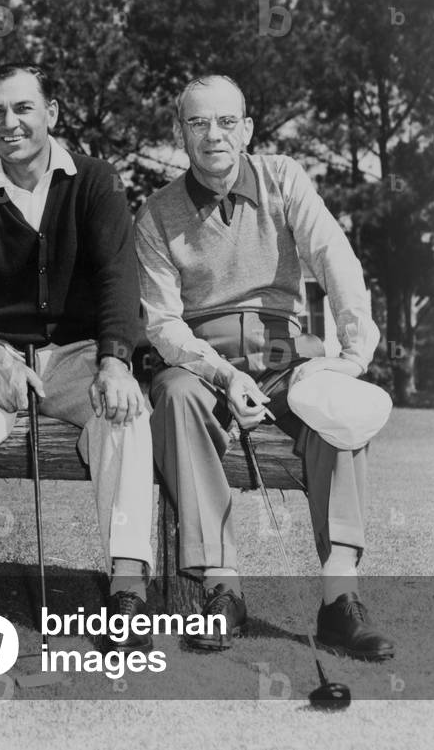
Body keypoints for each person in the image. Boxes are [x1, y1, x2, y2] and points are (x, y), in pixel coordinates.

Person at [135, 74, 394, 659]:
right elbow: (164, 325)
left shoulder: (283, 176)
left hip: (288, 354)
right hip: (205, 363)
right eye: (198, 123)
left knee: (339, 410)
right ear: (181, 133)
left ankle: (338, 601)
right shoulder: (155, 214)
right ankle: (224, 590)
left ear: (247, 129)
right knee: (173, 396)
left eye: (226, 121)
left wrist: (353, 355)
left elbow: (335, 258)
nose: (213, 134)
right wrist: (225, 377)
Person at [0, 63, 155, 652]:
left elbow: (118, 282)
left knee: (125, 410)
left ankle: (127, 586)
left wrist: (116, 360)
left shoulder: (96, 182)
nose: (9, 122)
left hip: (80, 356)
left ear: (52, 114)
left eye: (22, 108)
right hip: (4, 360)